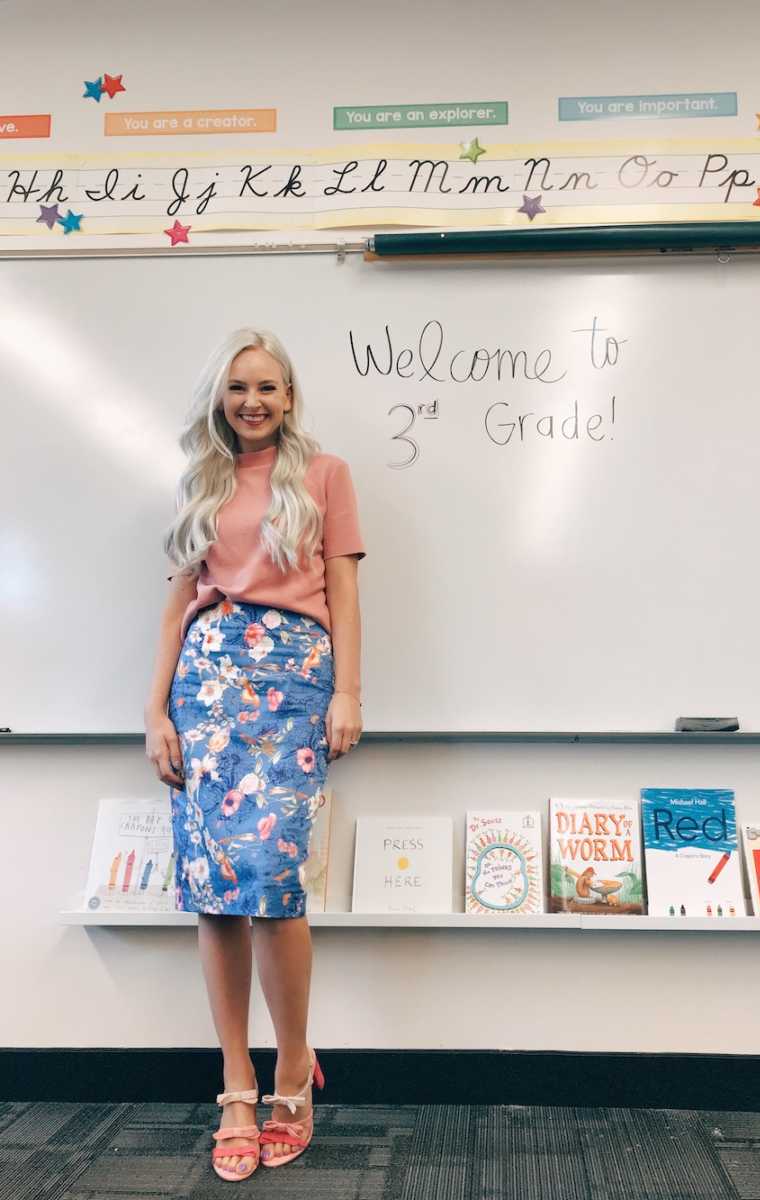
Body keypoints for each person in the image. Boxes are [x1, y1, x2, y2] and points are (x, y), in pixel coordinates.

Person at [143, 328, 365, 1181]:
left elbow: (342, 590)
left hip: (296, 683)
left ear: (290, 395)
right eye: (239, 387)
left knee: (275, 890)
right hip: (205, 690)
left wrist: (348, 692)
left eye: (269, 387)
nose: (254, 401)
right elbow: (174, 609)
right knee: (214, 895)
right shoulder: (201, 481)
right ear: (220, 397)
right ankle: (236, 1081)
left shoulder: (325, 475)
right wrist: (154, 711)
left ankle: (293, 1067)